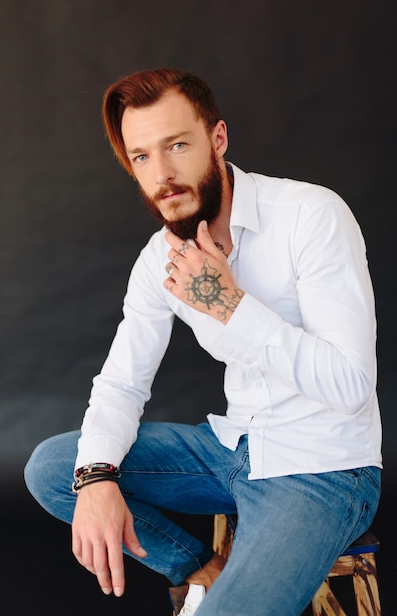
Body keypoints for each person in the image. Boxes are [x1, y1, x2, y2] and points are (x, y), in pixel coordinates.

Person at [24, 68, 382, 616]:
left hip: (323, 468)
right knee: (57, 467)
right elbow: (122, 381)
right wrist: (96, 477)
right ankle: (198, 571)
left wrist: (229, 307)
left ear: (217, 139)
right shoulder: (158, 257)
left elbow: (352, 386)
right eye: (142, 157)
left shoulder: (312, 216)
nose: (162, 175)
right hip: (230, 450)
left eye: (177, 146)